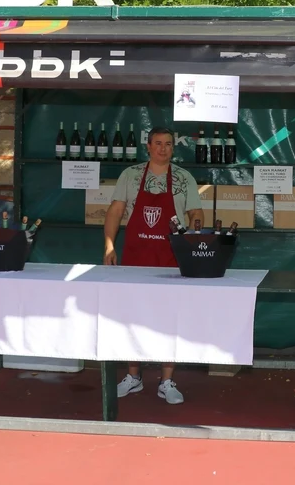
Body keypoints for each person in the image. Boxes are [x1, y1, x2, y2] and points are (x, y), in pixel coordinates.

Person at [103, 127, 203, 405]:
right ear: (148, 146)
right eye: (158, 143)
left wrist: (193, 236)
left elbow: (196, 212)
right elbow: (116, 211)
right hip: (135, 257)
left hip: (171, 259)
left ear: (173, 147)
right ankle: (133, 377)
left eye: (168, 144)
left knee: (170, 318)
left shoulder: (184, 178)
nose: (163, 148)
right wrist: (109, 245)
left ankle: (166, 381)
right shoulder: (130, 175)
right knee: (132, 316)